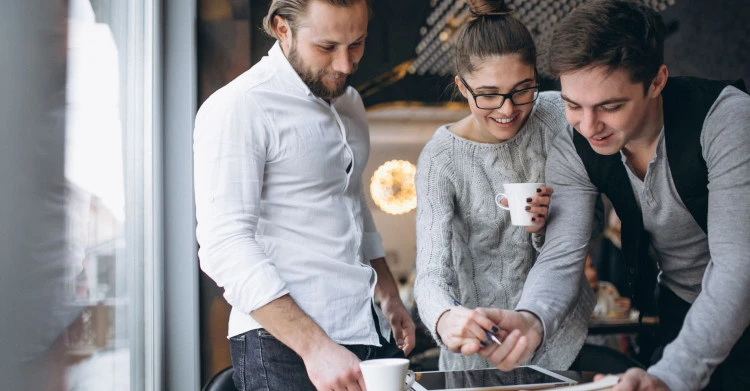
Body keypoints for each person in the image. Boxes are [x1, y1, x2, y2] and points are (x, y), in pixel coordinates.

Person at [476, 1, 750, 390]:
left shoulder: (726, 119)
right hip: (682, 308)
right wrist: (531, 318)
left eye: (610, 106)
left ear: (657, 82)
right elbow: (561, 255)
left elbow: (738, 267)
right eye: (573, 105)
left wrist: (671, 374)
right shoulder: (575, 146)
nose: (589, 126)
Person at [193, 0, 416, 389]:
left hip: (365, 329)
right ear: (282, 28)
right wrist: (315, 348)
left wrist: (388, 293)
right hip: (284, 343)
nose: (345, 65)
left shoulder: (351, 103)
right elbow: (224, 244)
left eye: (357, 44)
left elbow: (351, 201)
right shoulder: (240, 106)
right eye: (327, 47)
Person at [413, 0, 594, 372]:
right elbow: (430, 274)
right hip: (478, 350)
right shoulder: (441, 158)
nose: (508, 109)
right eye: (489, 94)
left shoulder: (558, 114)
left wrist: (543, 228)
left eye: (523, 89)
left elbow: (593, 204)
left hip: (562, 338)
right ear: (462, 86)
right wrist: (445, 317)